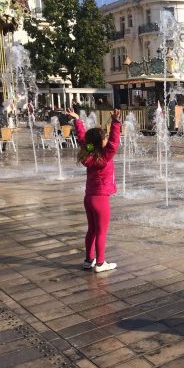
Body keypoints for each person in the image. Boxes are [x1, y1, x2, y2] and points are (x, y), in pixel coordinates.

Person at [68, 108, 121, 273]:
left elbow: (83, 138)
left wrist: (77, 120)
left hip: (89, 197)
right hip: (101, 199)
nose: (107, 139)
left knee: (91, 229)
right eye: (104, 138)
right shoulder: (104, 156)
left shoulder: (88, 152)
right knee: (101, 232)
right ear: (101, 142)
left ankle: (88, 260)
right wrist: (116, 122)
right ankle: (100, 263)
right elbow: (114, 142)